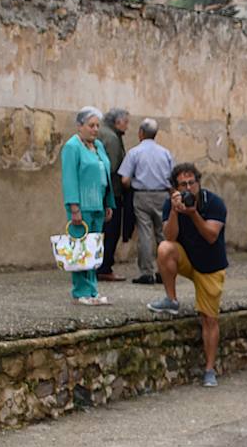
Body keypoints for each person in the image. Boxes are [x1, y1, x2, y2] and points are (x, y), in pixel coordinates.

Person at [146, 163, 228, 386]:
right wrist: (174, 211)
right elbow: (169, 237)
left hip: (210, 265)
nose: (189, 188)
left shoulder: (214, 203)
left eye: (192, 183)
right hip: (186, 258)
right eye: (183, 184)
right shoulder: (170, 204)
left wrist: (193, 215)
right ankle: (171, 299)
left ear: (199, 183)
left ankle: (209, 370)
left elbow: (211, 236)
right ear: (175, 188)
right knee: (164, 249)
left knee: (209, 319)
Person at [60, 107, 115, 306]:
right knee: (80, 250)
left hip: (98, 204)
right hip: (80, 206)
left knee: (94, 249)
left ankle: (92, 290)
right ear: (80, 126)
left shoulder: (98, 146)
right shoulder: (72, 147)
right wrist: (74, 207)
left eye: (97, 126)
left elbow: (105, 175)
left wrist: (108, 202)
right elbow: (69, 178)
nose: (95, 129)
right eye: (91, 125)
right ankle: (80, 291)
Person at [118, 118, 174, 284]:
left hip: (142, 195)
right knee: (162, 233)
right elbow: (173, 178)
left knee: (144, 233)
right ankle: (164, 271)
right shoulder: (165, 153)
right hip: (162, 195)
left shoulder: (134, 152)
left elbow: (125, 180)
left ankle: (147, 273)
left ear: (141, 133)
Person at [97, 108, 130, 281]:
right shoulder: (112, 138)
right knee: (111, 231)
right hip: (111, 192)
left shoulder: (102, 133)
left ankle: (97, 265)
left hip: (98, 191)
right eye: (126, 122)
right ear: (117, 122)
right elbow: (113, 167)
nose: (127, 126)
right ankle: (104, 267)